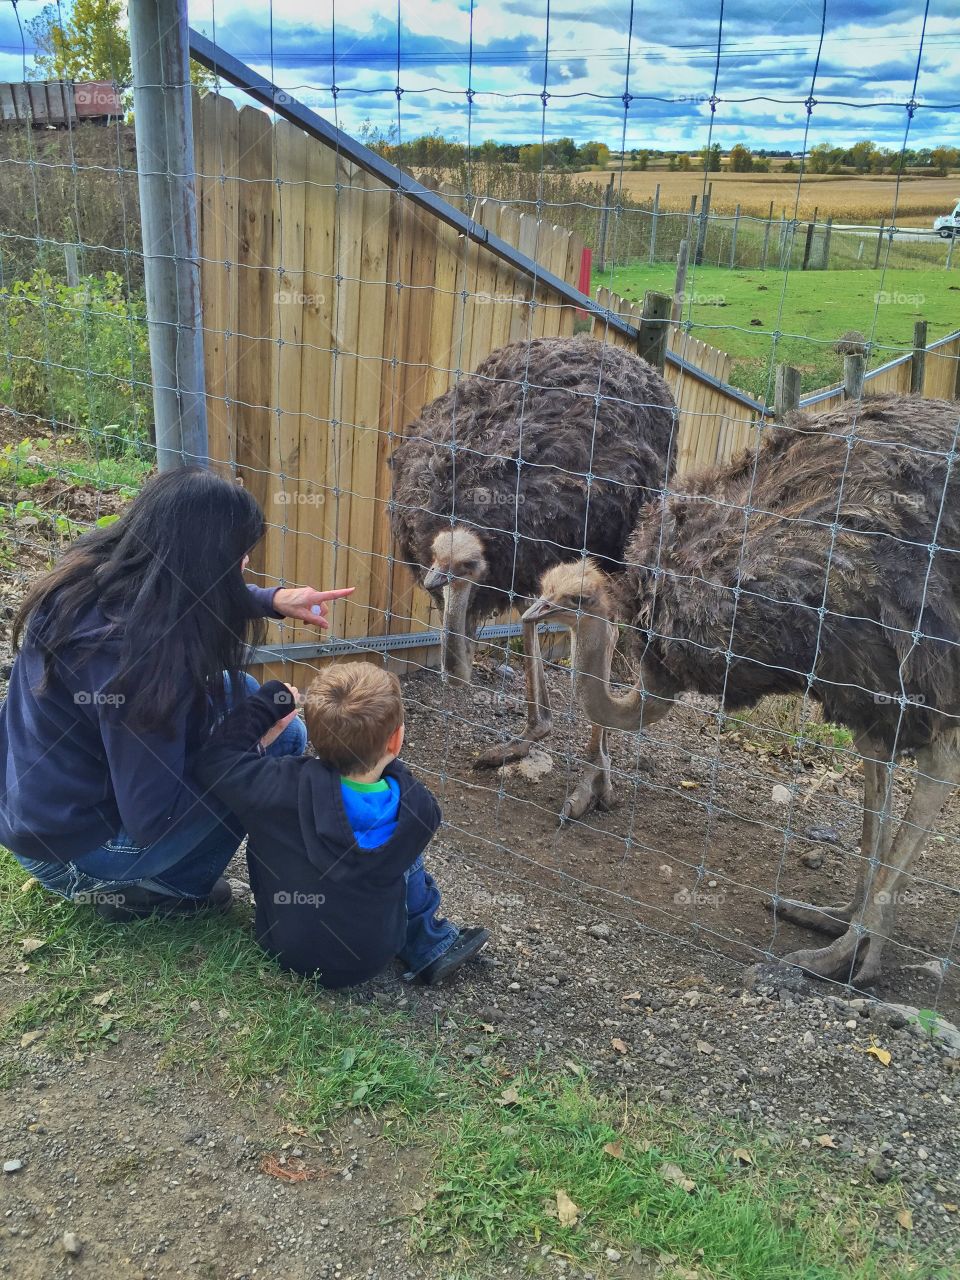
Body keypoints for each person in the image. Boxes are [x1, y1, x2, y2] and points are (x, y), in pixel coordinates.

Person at [0, 466, 352, 918]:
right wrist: (252, 746)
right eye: (239, 554)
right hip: (78, 855)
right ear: (203, 559)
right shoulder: (138, 666)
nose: (245, 563)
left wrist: (270, 600)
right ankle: (172, 887)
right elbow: (154, 819)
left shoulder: (90, 572)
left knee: (242, 691)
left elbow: (178, 589)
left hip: (33, 814)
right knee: (282, 736)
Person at [194, 662, 489, 987]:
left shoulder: (277, 786)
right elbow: (399, 779)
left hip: (283, 946)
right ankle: (428, 941)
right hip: (370, 960)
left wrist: (271, 701)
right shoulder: (419, 808)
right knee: (404, 848)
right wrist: (386, 761)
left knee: (279, 829)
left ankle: (426, 942)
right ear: (396, 741)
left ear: (316, 735)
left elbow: (217, 759)